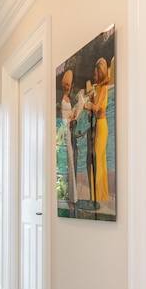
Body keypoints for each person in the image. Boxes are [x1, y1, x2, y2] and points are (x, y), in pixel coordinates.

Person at [84, 57, 109, 202]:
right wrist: (92, 100)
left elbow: (97, 107)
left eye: (95, 74)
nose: (94, 77)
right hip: (99, 123)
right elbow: (98, 103)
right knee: (98, 157)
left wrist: (87, 106)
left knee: (99, 158)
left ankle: (100, 194)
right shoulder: (100, 87)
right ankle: (98, 193)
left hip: (101, 125)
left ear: (100, 73)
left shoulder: (104, 88)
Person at [60, 70, 78, 204]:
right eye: (68, 85)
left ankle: (71, 197)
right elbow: (64, 120)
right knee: (70, 163)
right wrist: (71, 117)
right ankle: (70, 198)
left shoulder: (67, 99)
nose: (69, 87)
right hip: (66, 134)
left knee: (71, 163)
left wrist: (73, 113)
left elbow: (67, 116)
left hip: (68, 132)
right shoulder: (63, 100)